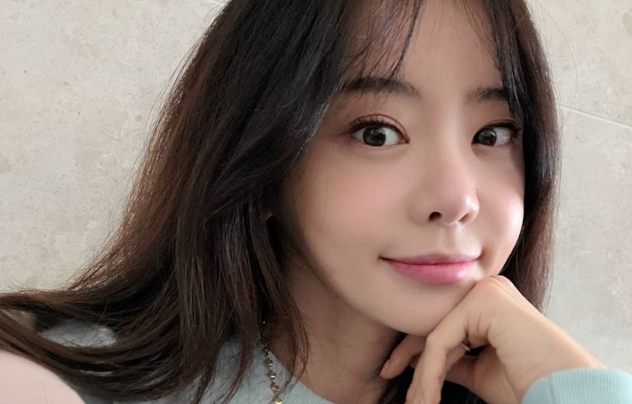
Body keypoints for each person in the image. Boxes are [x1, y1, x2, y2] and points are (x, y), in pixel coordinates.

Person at [0, 0, 631, 403]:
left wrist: (570, 384)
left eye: (491, 135)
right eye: (377, 133)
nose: (455, 199)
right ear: (264, 162)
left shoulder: (530, 391)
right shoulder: (50, 381)